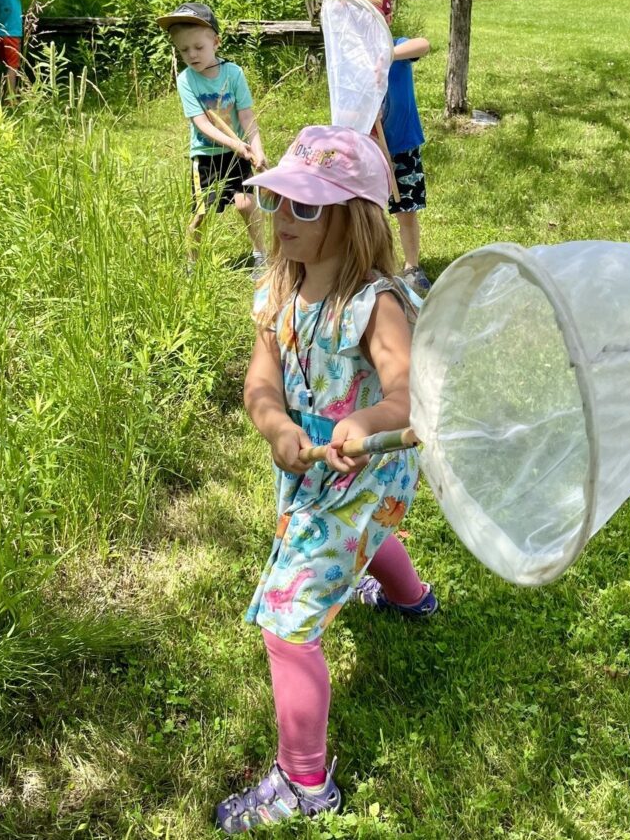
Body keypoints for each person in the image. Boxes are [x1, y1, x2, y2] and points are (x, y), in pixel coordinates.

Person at [215, 125, 439, 834]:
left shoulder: (378, 303)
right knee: (364, 543)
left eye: (306, 208)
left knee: (288, 621)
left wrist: (365, 419)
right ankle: (414, 598)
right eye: (281, 200)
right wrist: (278, 427)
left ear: (355, 217)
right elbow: (261, 379)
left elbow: (406, 394)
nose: (283, 218)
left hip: (366, 468)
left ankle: (305, 783)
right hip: (314, 472)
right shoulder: (278, 291)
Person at [156, 2, 268, 273]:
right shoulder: (186, 80)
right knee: (201, 213)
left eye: (198, 47)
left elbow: (246, 116)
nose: (192, 55)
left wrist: (257, 147)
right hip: (206, 156)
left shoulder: (234, 73)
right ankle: (191, 265)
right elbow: (202, 124)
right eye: (184, 50)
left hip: (237, 154)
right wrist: (233, 143)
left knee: (245, 203)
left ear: (216, 42)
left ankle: (261, 256)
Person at [347, 0, 433, 295]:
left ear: (388, 19)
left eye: (374, 16)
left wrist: (387, 54)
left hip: (402, 144)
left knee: (406, 207)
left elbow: (422, 44)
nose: (367, 25)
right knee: (369, 209)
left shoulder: (399, 47)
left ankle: (411, 265)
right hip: (368, 149)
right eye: (359, 19)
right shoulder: (352, 63)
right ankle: (373, 262)